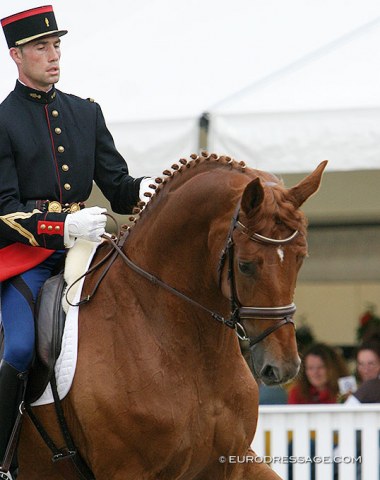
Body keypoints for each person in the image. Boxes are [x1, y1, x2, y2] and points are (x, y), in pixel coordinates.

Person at [0, 6, 153, 477]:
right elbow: (3, 211)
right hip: (28, 258)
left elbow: (118, 185)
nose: (53, 55)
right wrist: (60, 226)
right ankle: (2, 459)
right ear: (17, 55)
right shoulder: (3, 120)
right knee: (21, 349)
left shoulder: (86, 112)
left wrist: (148, 188)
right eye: (42, 47)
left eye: (57, 45)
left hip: (90, 249)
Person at [345, 336, 380, 404]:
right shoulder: (360, 388)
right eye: (361, 364)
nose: (365, 370)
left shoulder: (369, 386)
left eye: (371, 364)